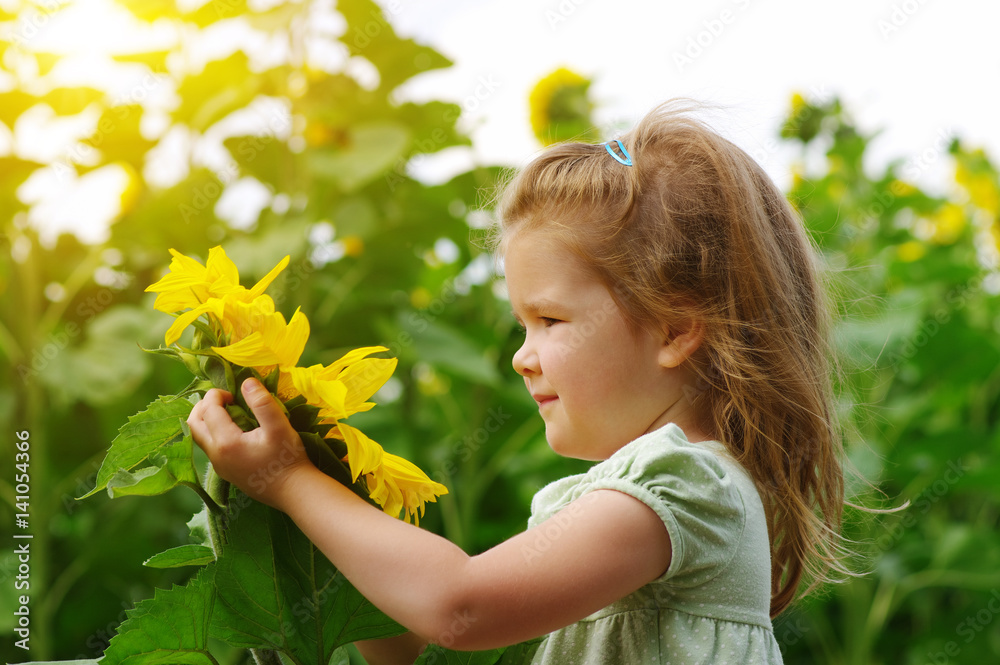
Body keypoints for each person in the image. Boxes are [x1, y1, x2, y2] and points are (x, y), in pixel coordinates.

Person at [187, 100, 855, 664]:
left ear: (675, 330)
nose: (521, 356)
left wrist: (288, 479)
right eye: (521, 324)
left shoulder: (685, 487)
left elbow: (458, 606)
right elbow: (409, 640)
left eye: (550, 319)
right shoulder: (639, 497)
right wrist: (322, 498)